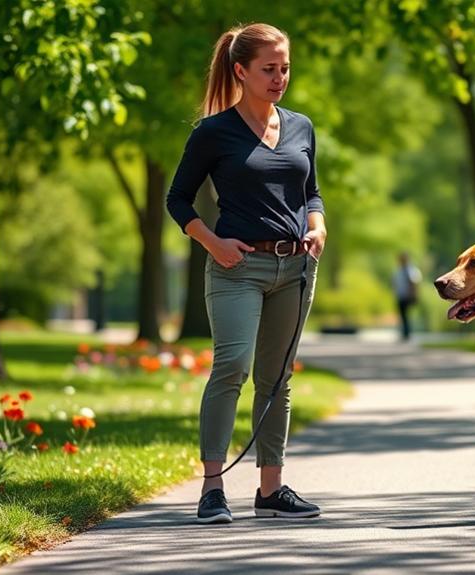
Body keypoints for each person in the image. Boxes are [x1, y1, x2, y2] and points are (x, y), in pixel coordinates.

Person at [165, 23, 326, 524]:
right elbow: (178, 200)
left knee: (277, 378)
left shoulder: (301, 126)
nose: (280, 78)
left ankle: (271, 489)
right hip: (237, 267)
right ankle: (212, 489)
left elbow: (311, 192)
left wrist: (318, 224)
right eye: (269, 69)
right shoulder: (213, 132)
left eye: (285, 68)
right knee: (231, 366)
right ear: (241, 71)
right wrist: (212, 242)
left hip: (295, 267)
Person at [392, 252, 422, 340]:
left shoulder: (411, 270)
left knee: (406, 315)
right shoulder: (398, 271)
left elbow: (414, 283)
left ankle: (407, 333)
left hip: (408, 296)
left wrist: (414, 295)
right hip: (400, 295)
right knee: (402, 315)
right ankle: (405, 332)